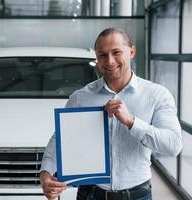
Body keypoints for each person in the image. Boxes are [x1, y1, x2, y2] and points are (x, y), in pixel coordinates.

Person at [39, 28, 183, 200]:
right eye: (102, 55)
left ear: (131, 51)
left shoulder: (157, 95)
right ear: (97, 58)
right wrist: (45, 172)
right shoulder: (81, 98)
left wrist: (131, 122)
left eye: (116, 52)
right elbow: (60, 139)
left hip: (138, 195)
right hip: (90, 195)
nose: (109, 61)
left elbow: (173, 145)